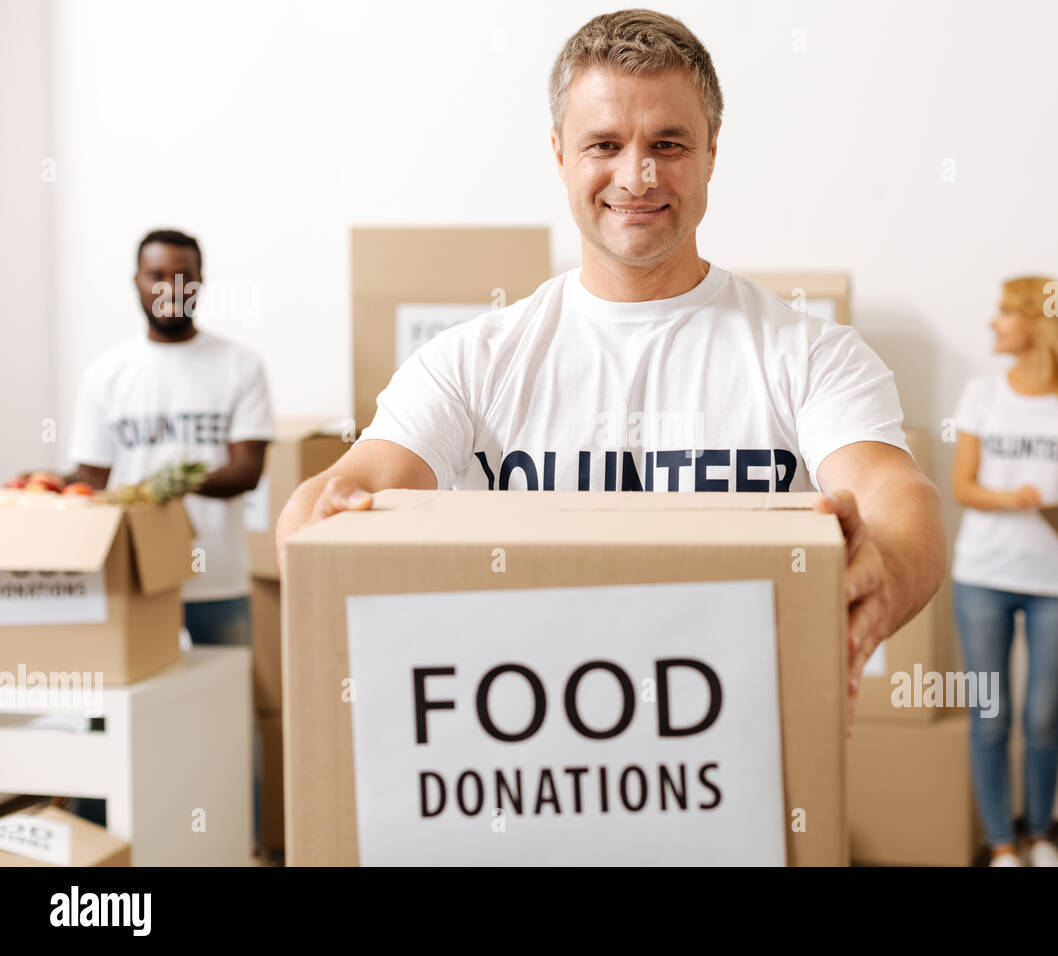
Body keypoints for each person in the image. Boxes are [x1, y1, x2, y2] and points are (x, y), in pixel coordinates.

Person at [276, 10, 946, 717]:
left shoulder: (810, 354)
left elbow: (899, 500)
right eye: (605, 143)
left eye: (669, 142)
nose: (638, 174)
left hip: (734, 746)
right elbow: (346, 491)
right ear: (560, 153)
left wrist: (885, 575)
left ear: (712, 152)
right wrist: (314, 519)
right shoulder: (470, 362)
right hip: (524, 749)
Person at [950, 276, 1058, 866]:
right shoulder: (981, 392)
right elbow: (961, 485)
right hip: (983, 576)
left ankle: (1041, 837)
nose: (994, 323)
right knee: (990, 717)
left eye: (1005, 312)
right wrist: (1009, 497)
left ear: (1037, 323)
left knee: (1043, 717)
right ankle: (1001, 845)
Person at [66, 228, 273, 647]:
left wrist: (156, 488)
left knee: (224, 703)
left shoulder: (240, 366)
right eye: (156, 274)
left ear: (200, 281)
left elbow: (247, 471)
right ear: (136, 281)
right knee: (128, 705)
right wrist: (41, 488)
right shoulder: (106, 374)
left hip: (217, 578)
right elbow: (91, 478)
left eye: (182, 276)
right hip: (134, 576)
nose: (169, 288)